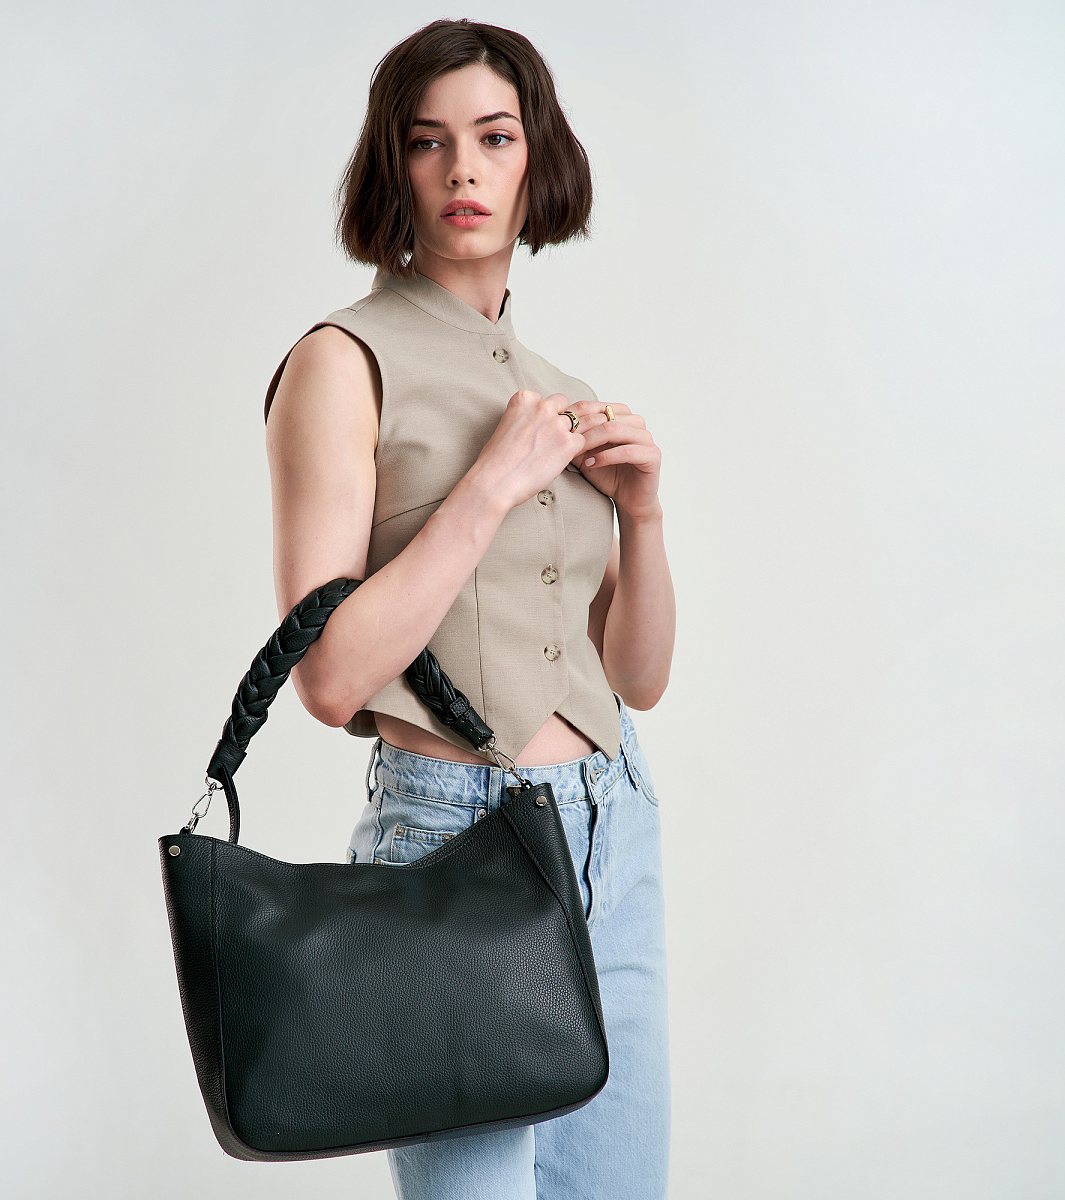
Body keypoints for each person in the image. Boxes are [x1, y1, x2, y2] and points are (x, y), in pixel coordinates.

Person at [264, 18, 675, 1200]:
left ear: (537, 158)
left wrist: (645, 516)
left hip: (614, 829)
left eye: (495, 137)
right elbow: (328, 678)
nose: (462, 170)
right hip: (451, 836)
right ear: (392, 166)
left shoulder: (564, 394)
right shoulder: (340, 361)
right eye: (427, 141)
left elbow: (637, 680)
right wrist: (489, 488)